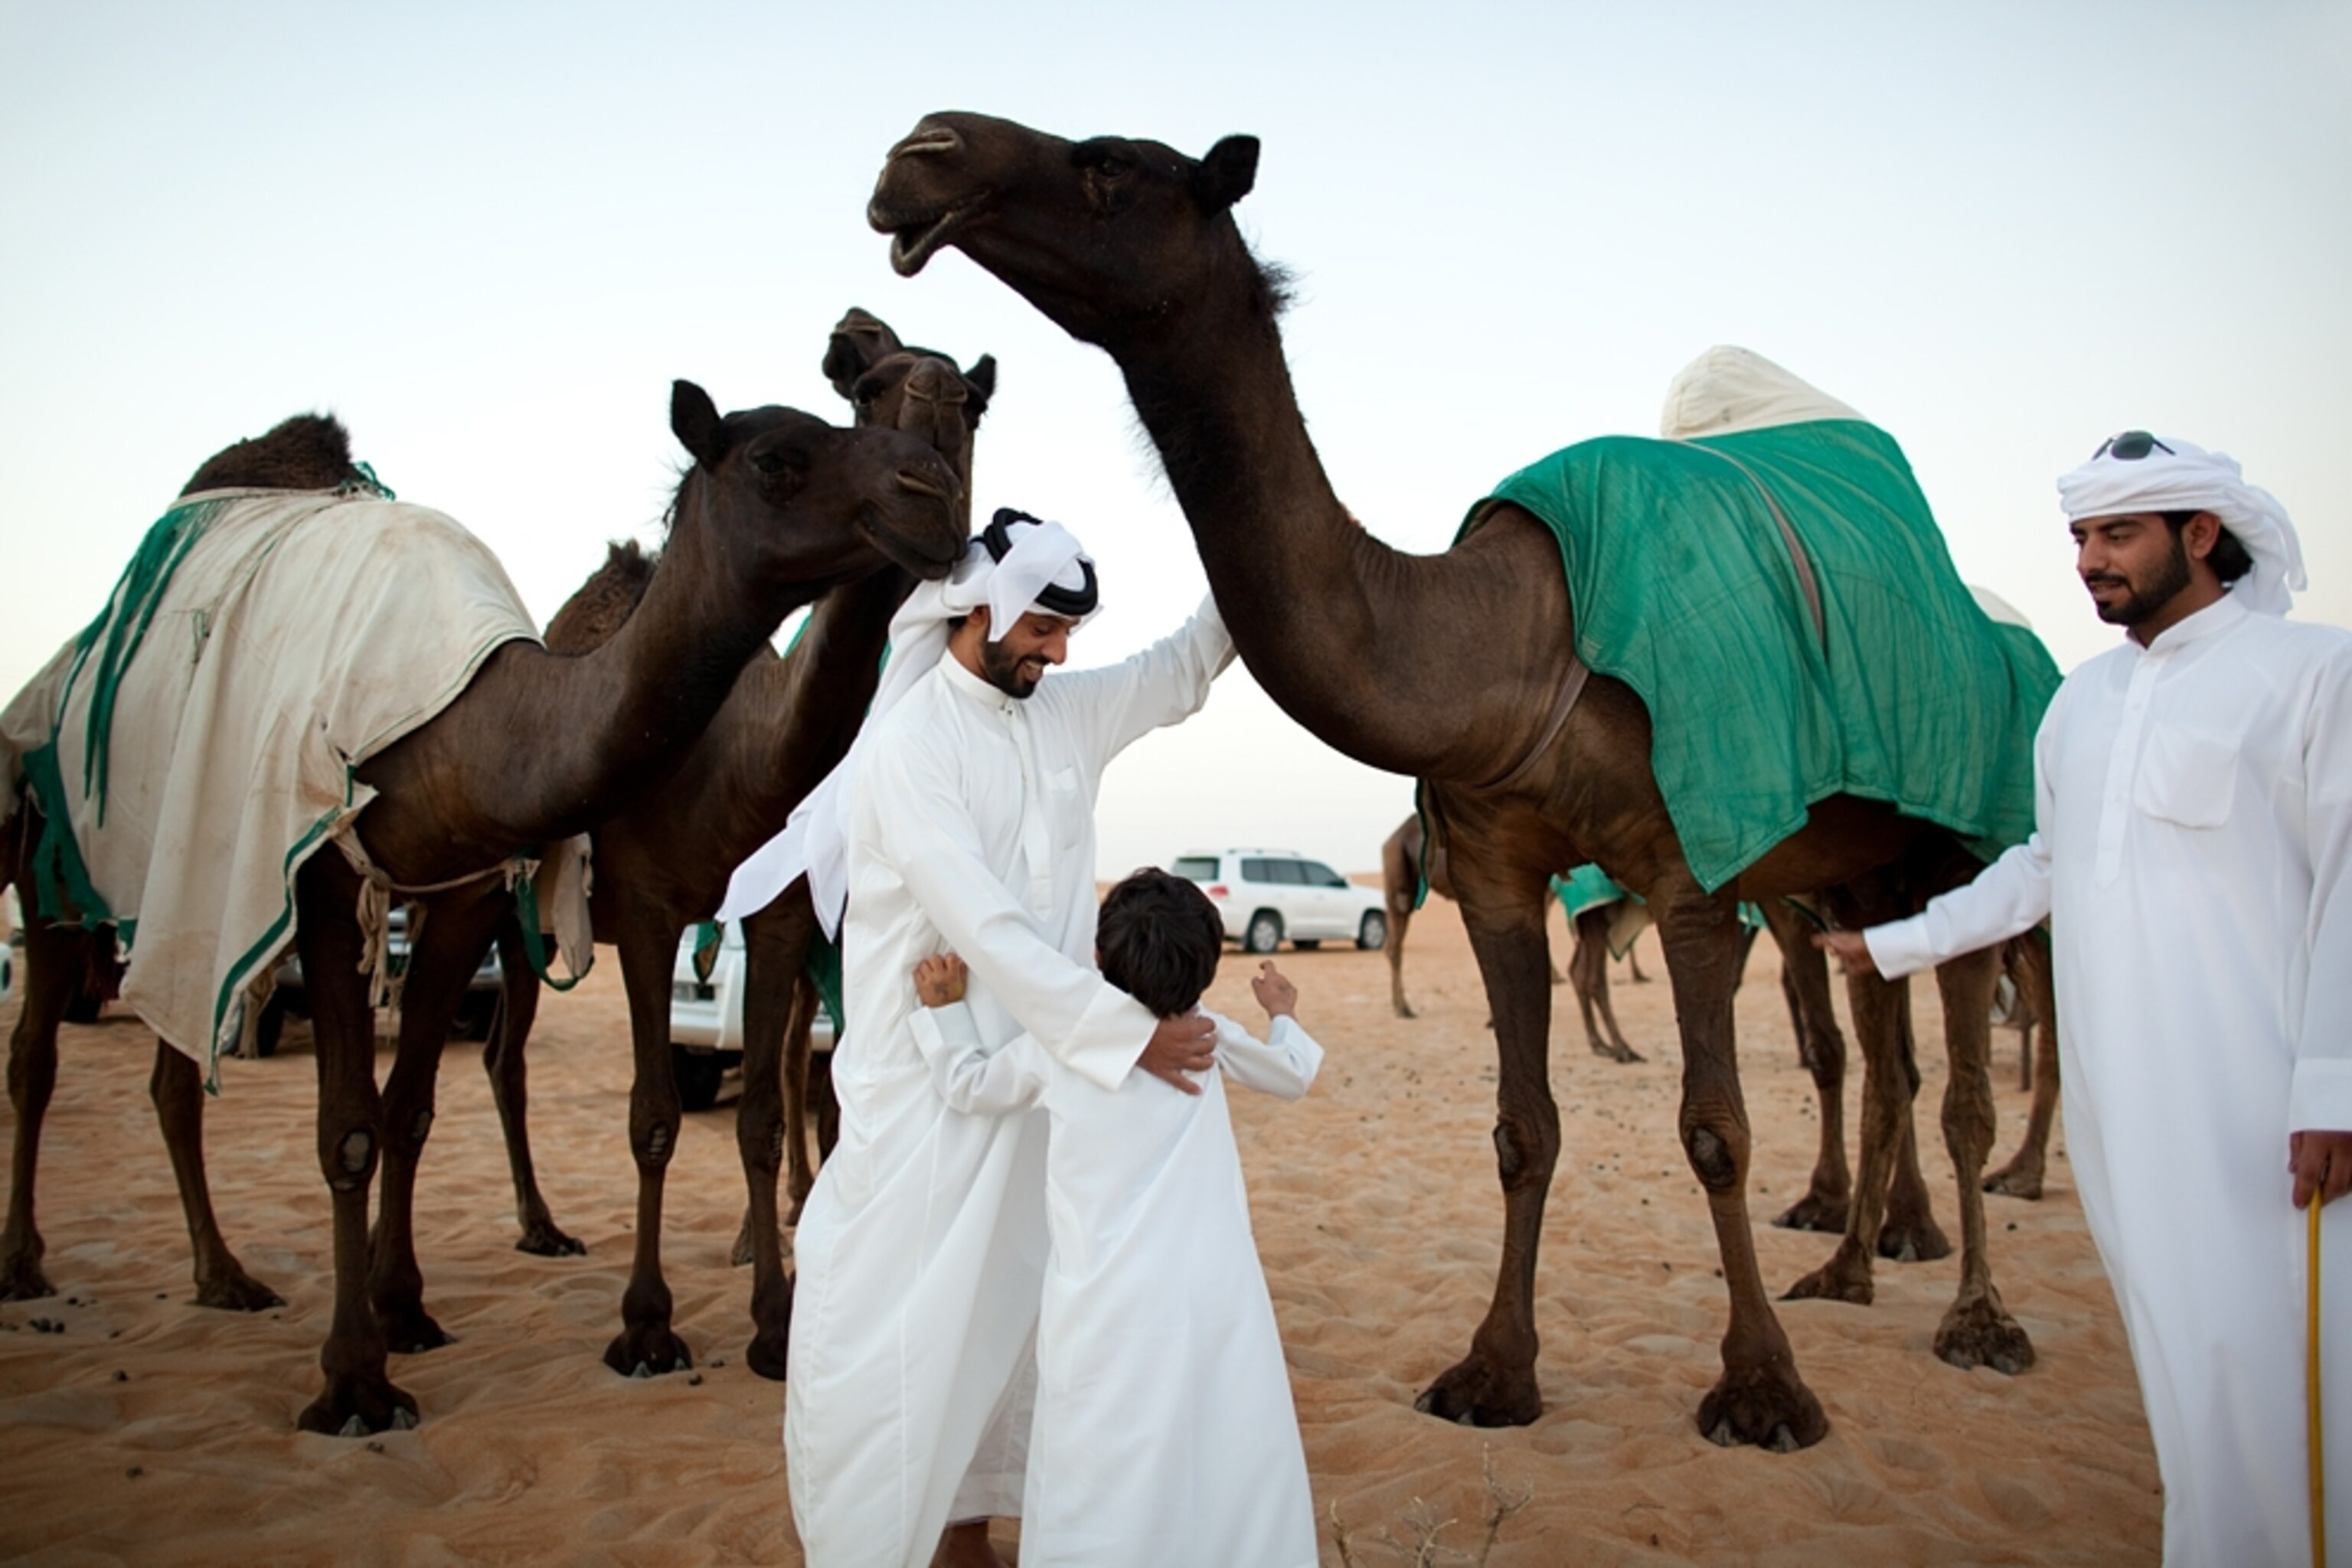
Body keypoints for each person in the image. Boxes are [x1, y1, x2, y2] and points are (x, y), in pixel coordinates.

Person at [1815, 431, 2351, 1563]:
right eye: (2080, 538)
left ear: (2199, 536)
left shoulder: (2313, 673)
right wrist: (1896, 946)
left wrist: (2332, 1086)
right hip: (2125, 1110)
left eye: (2118, 534)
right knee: (2181, 1361)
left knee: (2292, 1361)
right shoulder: (2084, 701)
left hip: (2269, 1106)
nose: (2090, 560)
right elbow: (2043, 868)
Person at [782, 509, 1233, 1568]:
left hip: (1035, 1091)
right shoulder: (910, 749)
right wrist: (1123, 1035)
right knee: (906, 1340)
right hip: (927, 1098)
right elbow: (982, 924)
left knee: (1011, 1332)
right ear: (976, 606)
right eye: (1041, 627)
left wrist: (1250, 566)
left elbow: (1176, 672)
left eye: (1069, 633)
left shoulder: (1061, 712)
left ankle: (969, 1540)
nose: (1059, 652)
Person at [908, 868, 1322, 1568]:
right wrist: (1282, 1008)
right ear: (1207, 970)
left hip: (1105, 1301)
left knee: (1100, 1455)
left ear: (1096, 959)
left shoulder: (1060, 1045)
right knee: (1222, 1437)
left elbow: (969, 1086)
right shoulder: (1207, 1039)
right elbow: (1292, 1073)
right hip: (1215, 1292)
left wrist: (947, 1010)